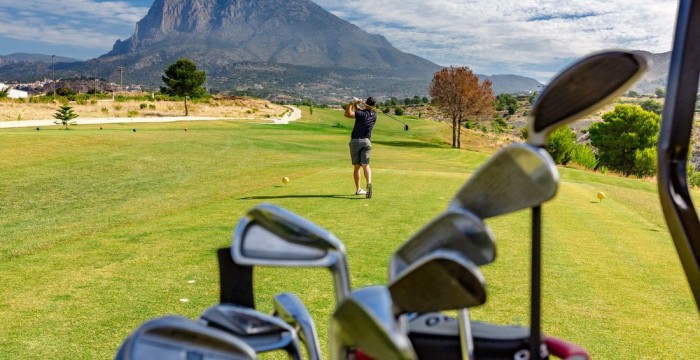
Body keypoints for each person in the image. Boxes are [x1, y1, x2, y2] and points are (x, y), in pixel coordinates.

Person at [344, 96, 377, 198]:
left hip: (355, 141)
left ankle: (358, 189)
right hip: (367, 142)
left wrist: (351, 102)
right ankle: (369, 183)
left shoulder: (361, 114)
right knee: (365, 165)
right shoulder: (374, 115)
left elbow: (347, 114)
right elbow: (359, 111)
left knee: (357, 167)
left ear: (366, 103)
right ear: (374, 106)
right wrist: (356, 104)